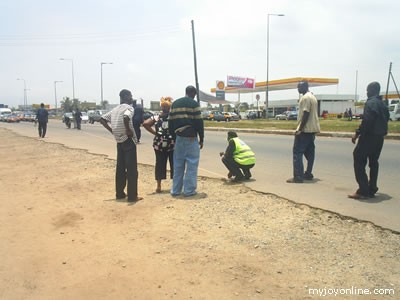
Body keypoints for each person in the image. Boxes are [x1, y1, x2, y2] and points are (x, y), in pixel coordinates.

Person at [99, 89, 142, 202]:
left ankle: (120, 194)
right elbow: (126, 117)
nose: (132, 98)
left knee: (120, 168)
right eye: (130, 96)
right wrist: (128, 130)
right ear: (126, 96)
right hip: (128, 140)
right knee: (132, 169)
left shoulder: (115, 109)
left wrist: (112, 131)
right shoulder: (129, 108)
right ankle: (132, 196)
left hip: (119, 141)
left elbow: (102, 119)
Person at [348, 82, 389, 199]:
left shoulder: (370, 103)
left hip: (369, 137)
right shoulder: (382, 104)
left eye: (367, 90)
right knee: (374, 162)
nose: (366, 92)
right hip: (379, 138)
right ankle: (372, 188)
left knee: (358, 159)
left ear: (372, 90)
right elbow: (386, 119)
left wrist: (357, 133)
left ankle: (363, 190)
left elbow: (367, 121)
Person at [168, 85, 204, 197]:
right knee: (192, 164)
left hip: (179, 137)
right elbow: (199, 122)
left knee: (178, 165)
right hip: (191, 137)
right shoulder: (194, 104)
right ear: (193, 93)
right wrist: (201, 138)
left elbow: (170, 123)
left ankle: (176, 190)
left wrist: (174, 138)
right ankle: (189, 191)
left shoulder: (174, 104)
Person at [287, 81, 320, 183]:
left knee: (297, 152)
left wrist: (300, 129)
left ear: (305, 87)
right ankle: (308, 173)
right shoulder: (313, 97)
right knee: (310, 153)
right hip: (312, 129)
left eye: (299, 87)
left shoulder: (305, 98)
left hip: (305, 129)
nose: (298, 89)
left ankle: (298, 177)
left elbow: (306, 114)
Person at [143, 97, 175, 193]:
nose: (165, 108)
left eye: (166, 107)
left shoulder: (157, 117)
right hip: (172, 144)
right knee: (174, 165)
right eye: (165, 106)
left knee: (160, 164)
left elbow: (145, 124)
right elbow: (145, 124)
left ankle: (159, 186)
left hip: (159, 144)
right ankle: (174, 186)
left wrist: (155, 133)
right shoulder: (173, 117)